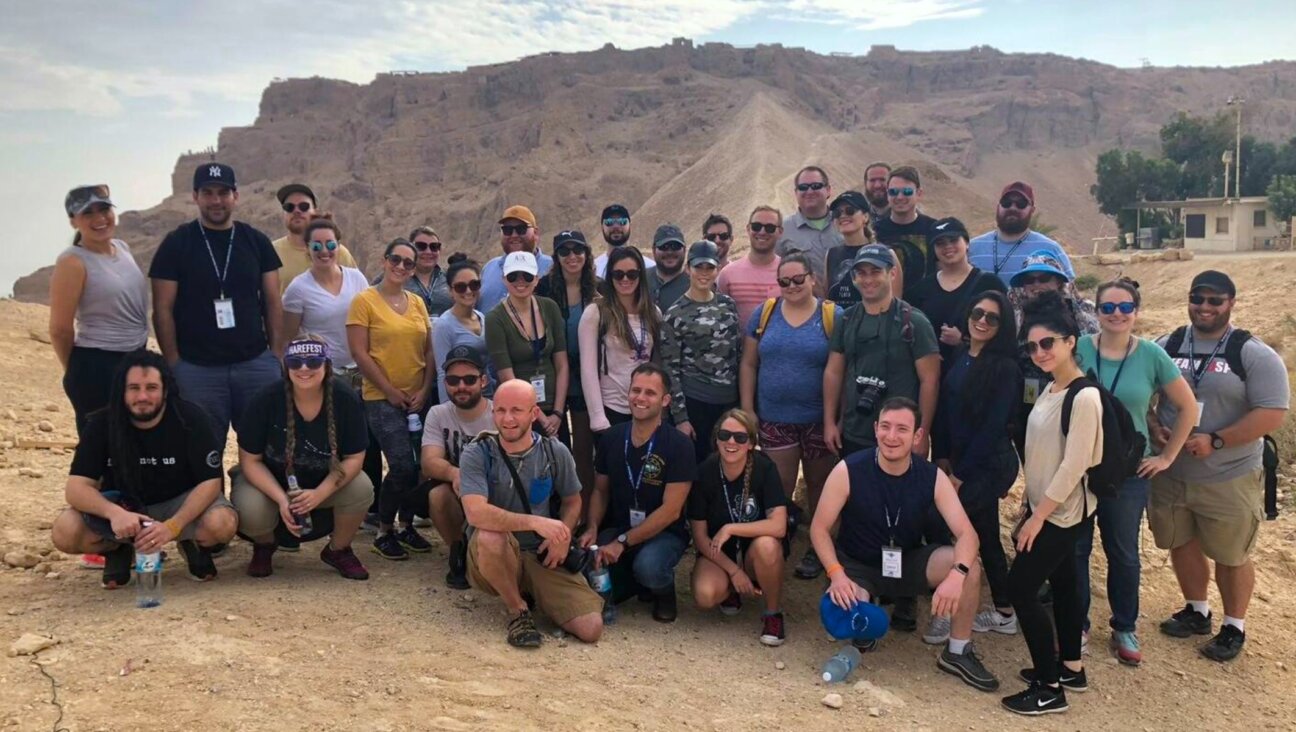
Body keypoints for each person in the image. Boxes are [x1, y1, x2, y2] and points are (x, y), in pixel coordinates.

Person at [811, 398, 999, 693]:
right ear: (875, 430)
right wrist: (836, 573)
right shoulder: (849, 469)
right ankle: (866, 617)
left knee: (970, 567)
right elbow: (819, 528)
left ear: (917, 436)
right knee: (842, 607)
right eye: (885, 427)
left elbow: (968, 534)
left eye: (902, 429)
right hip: (857, 566)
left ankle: (958, 652)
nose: (891, 436)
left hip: (907, 561)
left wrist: (956, 575)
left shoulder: (931, 476)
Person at [1150, 271, 1289, 662]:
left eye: (1215, 300)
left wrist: (1216, 440)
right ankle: (1197, 609)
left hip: (1230, 475)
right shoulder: (1167, 345)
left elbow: (1272, 413)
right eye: (1199, 298)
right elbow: (1144, 393)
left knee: (1231, 555)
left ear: (1231, 303)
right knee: (1181, 541)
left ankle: (1233, 625)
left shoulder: (1253, 354)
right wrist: (1155, 426)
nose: (1205, 307)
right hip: (1173, 472)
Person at [1072, 278, 1199, 666]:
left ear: (1136, 312)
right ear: (1096, 312)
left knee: (1123, 552)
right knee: (1075, 549)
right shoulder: (1078, 349)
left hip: (1127, 471)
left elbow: (1189, 409)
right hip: (1080, 465)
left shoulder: (1150, 356)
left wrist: (1166, 457)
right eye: (1107, 308)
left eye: (1124, 307)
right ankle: (1076, 622)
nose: (1116, 315)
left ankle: (1124, 624)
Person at [51, 350, 237, 588]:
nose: (142, 396)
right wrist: (114, 514)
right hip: (124, 508)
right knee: (66, 531)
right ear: (122, 390)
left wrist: (174, 526)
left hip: (178, 504)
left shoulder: (191, 418)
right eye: (134, 388)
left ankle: (192, 544)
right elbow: (76, 488)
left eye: (151, 387)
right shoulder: (101, 424)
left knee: (222, 523)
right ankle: (119, 548)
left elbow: (211, 482)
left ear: (165, 390)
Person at [1001, 291, 1102, 717]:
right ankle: (1070, 668)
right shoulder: (1048, 389)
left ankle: (1047, 686)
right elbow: (1043, 458)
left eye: (1048, 343)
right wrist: (1029, 505)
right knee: (1063, 586)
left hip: (1062, 513)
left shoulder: (1084, 396)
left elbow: (1075, 465)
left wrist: (1037, 518)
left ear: (1071, 341)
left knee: (1020, 588)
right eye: (1032, 346)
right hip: (1047, 508)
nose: (1040, 352)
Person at [459, 379, 603, 648]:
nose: (508, 418)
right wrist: (536, 522)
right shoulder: (477, 453)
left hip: (539, 553)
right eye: (500, 410)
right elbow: (475, 513)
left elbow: (573, 501)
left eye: (516, 410)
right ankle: (518, 610)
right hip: (492, 553)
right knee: (491, 535)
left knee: (590, 627)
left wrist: (562, 534)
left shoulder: (554, 451)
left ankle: (534, 589)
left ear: (534, 413)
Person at [148, 163, 283, 448]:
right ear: (195, 196)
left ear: (235, 196)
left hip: (254, 364)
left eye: (223, 192)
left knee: (266, 446)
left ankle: (254, 494)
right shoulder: (177, 243)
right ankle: (211, 496)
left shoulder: (256, 241)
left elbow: (272, 302)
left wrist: (276, 356)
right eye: (208, 193)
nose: (216, 200)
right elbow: (162, 309)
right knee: (201, 449)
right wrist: (174, 363)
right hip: (198, 369)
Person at [232, 337, 373, 580]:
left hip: (322, 482)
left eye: (313, 362)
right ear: (286, 366)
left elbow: (354, 457)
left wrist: (320, 493)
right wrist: (281, 499)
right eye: (295, 362)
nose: (304, 368)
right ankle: (265, 545)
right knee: (250, 507)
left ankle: (338, 549)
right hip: (271, 484)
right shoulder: (266, 398)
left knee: (361, 486)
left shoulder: (344, 397)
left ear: (326, 365)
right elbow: (249, 460)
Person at [740, 253, 837, 580]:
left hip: (817, 420)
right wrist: (747, 409)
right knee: (777, 488)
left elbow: (842, 369)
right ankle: (775, 543)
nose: (792, 286)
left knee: (820, 487)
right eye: (785, 281)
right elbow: (749, 364)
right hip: (774, 417)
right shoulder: (765, 313)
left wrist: (833, 419)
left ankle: (818, 548)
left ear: (812, 278)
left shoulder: (832, 315)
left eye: (798, 279)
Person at [931, 291, 1022, 637]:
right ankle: (1003, 609)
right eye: (978, 312)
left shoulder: (1004, 368)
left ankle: (954, 610)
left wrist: (959, 475)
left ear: (1003, 326)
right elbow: (945, 412)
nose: (982, 321)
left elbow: (992, 427)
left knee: (960, 531)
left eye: (992, 318)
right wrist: (941, 458)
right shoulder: (959, 355)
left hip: (987, 464)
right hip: (958, 462)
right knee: (983, 533)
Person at [580, 364, 697, 622]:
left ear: (665, 400)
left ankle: (663, 592)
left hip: (665, 532)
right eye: (636, 390)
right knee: (588, 560)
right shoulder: (612, 437)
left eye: (650, 393)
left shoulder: (679, 445)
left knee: (650, 567)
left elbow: (671, 511)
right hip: (621, 526)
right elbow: (600, 491)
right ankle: (636, 584)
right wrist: (592, 528)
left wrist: (622, 542)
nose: (640, 398)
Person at [347, 238, 435, 561]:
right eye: (395, 260)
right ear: (384, 261)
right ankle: (384, 530)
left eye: (408, 263)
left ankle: (406, 524)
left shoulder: (416, 303)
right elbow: (360, 352)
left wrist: (425, 389)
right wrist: (389, 390)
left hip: (416, 398)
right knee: (400, 465)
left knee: (419, 465)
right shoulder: (364, 302)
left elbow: (428, 349)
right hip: (381, 398)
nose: (401, 267)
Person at [49, 184, 149, 438]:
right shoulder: (72, 262)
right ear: (73, 221)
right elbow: (60, 329)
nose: (99, 219)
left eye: (103, 209)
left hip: (134, 359)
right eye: (88, 213)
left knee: (136, 445)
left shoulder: (122, 248)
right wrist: (77, 371)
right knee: (103, 451)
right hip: (97, 364)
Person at [823, 245, 940, 459]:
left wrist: (922, 434)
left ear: (892, 273)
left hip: (899, 436)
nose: (868, 279)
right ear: (854, 277)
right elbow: (834, 372)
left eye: (876, 271)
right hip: (854, 431)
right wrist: (830, 422)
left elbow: (930, 381)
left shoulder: (914, 322)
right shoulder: (846, 319)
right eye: (862, 273)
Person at [687, 409, 789, 646]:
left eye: (740, 438)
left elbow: (779, 526)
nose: (731, 442)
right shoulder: (705, 472)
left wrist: (731, 528)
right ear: (716, 439)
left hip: (754, 551)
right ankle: (732, 589)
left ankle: (773, 613)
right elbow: (700, 537)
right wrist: (733, 570)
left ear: (751, 443)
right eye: (725, 435)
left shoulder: (764, 468)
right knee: (705, 595)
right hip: (719, 553)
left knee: (767, 546)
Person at [1009, 250, 1099, 459]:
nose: (1036, 285)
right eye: (1029, 280)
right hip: (1031, 404)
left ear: (1059, 281)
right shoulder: (1015, 315)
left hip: (1075, 399)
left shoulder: (1083, 312)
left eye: (1043, 278)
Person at [422, 345, 497, 590]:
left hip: (495, 491)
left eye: (469, 379)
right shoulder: (438, 413)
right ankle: (459, 551)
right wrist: (456, 474)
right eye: (453, 380)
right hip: (457, 492)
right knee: (437, 495)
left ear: (483, 381)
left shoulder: (499, 412)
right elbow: (429, 462)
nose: (461, 386)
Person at [660, 240, 741, 460]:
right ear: (688, 269)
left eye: (710, 268)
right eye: (698, 267)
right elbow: (670, 370)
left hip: (729, 404)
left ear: (718, 269)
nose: (704, 274)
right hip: (696, 404)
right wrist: (681, 419)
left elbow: (737, 354)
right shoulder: (675, 314)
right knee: (699, 471)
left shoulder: (728, 305)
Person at [536, 231, 599, 500]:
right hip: (552, 378)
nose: (572, 256)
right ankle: (557, 506)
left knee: (584, 449)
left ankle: (584, 509)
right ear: (556, 256)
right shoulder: (543, 289)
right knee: (555, 448)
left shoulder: (600, 288)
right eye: (565, 251)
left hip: (588, 378)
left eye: (578, 250)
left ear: (586, 254)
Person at [485, 251, 569, 438]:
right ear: (504, 279)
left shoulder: (549, 308)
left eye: (527, 276)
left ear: (537, 279)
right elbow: (506, 375)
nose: (520, 281)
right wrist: (541, 419)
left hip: (554, 408)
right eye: (513, 276)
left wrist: (558, 412)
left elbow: (561, 363)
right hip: (519, 412)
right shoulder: (495, 319)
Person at [905, 217, 1006, 370]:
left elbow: (1004, 334)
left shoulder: (990, 284)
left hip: (976, 374)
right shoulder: (921, 289)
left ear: (966, 243)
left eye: (953, 240)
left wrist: (963, 342)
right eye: (940, 243)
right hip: (931, 376)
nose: (948, 247)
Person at [581, 247, 661, 434]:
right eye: (618, 274)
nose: (625, 280)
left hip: (645, 407)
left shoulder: (653, 313)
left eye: (632, 274)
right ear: (610, 276)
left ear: (641, 275)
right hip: (611, 410)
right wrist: (597, 416)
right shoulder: (595, 313)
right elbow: (588, 369)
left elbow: (656, 362)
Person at [281, 218, 369, 372]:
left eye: (330, 245)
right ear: (307, 249)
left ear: (339, 247)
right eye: (316, 246)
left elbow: (372, 321)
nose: (324, 251)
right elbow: (288, 339)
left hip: (361, 368)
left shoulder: (356, 278)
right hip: (322, 371)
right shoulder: (298, 289)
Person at [968, 182, 1074, 289]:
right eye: (1006, 203)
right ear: (998, 207)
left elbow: (1070, 292)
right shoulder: (971, 248)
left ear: (1032, 210)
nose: (1013, 208)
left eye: (1021, 204)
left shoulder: (1051, 249)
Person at [272, 183, 358, 292]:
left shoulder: (336, 252)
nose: (296, 211)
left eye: (304, 206)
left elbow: (357, 292)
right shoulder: (271, 252)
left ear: (315, 211)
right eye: (289, 207)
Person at [434, 254, 491, 403]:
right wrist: (447, 413)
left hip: (488, 396)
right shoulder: (444, 326)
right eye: (460, 287)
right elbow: (442, 374)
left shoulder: (482, 317)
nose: (468, 291)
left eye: (474, 285)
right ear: (450, 291)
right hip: (462, 400)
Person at [872, 166, 936, 295]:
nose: (900, 197)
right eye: (894, 192)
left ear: (919, 193)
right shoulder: (875, 230)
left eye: (907, 191)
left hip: (927, 308)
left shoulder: (933, 228)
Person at [776, 166, 843, 287]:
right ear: (796, 193)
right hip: (804, 303)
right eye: (803, 187)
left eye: (816, 186)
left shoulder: (845, 222)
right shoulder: (783, 230)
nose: (810, 192)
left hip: (847, 303)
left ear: (828, 190)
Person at [717, 206, 783, 327]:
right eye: (756, 226)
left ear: (780, 232)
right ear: (748, 229)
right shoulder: (727, 274)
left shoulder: (789, 274)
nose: (762, 232)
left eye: (770, 228)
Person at [479, 205, 553, 313]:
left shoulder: (551, 267)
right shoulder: (489, 268)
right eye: (507, 230)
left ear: (535, 233)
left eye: (521, 229)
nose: (514, 235)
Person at [374, 226, 452, 321]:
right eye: (421, 246)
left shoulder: (451, 278)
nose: (428, 251)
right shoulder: (393, 276)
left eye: (434, 247)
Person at [823, 190, 873, 309]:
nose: (843, 216)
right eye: (837, 213)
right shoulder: (831, 254)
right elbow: (827, 300)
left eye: (850, 210)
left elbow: (893, 304)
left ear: (865, 216)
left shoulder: (883, 253)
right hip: (839, 325)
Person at [593, 203, 654, 277]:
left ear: (630, 225)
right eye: (609, 222)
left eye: (622, 221)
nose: (616, 226)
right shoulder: (593, 269)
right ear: (602, 227)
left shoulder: (649, 267)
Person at [646, 224, 690, 310]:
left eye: (675, 247)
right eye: (664, 247)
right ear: (654, 250)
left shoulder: (694, 285)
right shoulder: (639, 279)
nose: (670, 252)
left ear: (684, 250)